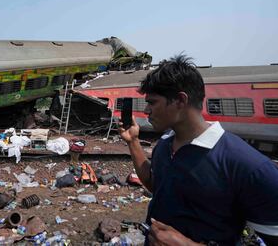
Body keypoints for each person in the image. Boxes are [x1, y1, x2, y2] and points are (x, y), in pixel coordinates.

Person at [119, 54, 278, 245]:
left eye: (152, 102)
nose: (146, 110)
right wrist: (133, 142)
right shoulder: (164, 145)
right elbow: (156, 185)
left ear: (180, 100)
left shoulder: (250, 166)